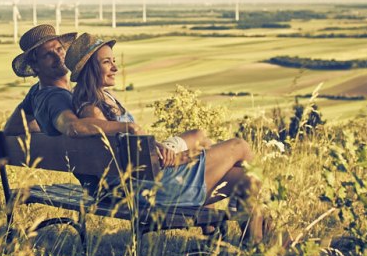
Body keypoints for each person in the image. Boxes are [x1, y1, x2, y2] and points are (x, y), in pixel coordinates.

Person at [64, 32, 258, 217]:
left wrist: (159, 148)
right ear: (90, 69)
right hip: (150, 188)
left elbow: (132, 148)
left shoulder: (96, 98)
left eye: (114, 61)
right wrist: (182, 157)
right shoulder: (93, 110)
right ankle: (249, 226)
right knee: (239, 147)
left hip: (141, 182)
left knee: (244, 176)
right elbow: (130, 158)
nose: (115, 68)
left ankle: (244, 234)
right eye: (107, 62)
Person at [3, 25, 144, 196]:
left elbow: (11, 128)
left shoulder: (36, 92)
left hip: (102, 181)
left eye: (59, 49)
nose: (59, 57)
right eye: (48, 54)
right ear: (35, 65)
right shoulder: (56, 99)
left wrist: (49, 129)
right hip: (109, 187)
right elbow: (72, 127)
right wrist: (127, 127)